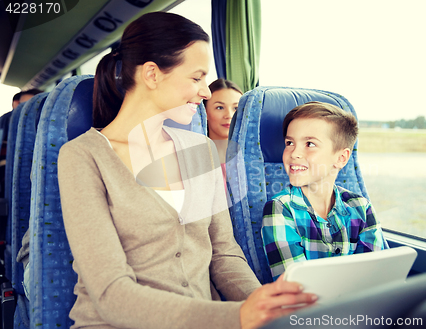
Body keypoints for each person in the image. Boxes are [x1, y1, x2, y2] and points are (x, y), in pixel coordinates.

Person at [56, 12, 316, 329]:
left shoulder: (200, 150)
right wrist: (236, 317)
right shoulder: (82, 157)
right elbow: (111, 293)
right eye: (196, 78)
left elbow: (224, 254)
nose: (206, 92)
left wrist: (264, 310)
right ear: (152, 74)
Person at [261, 101, 389, 281]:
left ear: (341, 158)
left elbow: (376, 277)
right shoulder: (281, 209)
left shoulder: (361, 208)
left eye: (310, 144)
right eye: (289, 142)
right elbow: (295, 288)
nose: (294, 153)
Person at [203, 78, 242, 165]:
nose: (229, 115)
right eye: (220, 107)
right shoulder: (195, 159)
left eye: (236, 108)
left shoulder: (251, 159)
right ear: (205, 112)